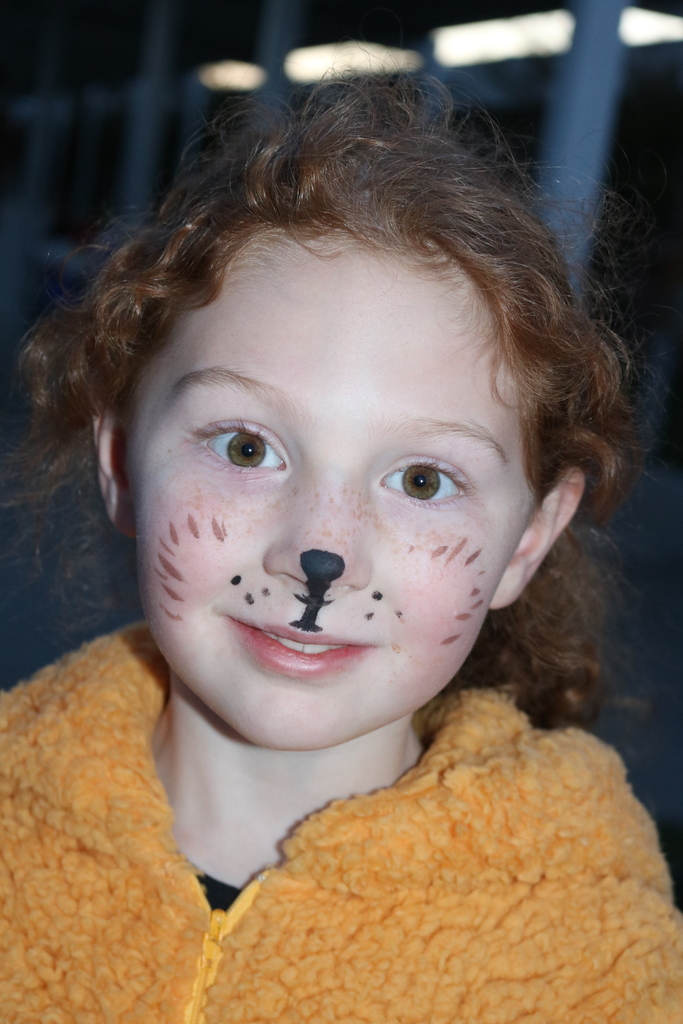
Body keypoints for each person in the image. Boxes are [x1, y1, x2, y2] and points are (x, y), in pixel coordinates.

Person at [1, 77, 681, 1023]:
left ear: (528, 538)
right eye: (246, 448)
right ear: (120, 462)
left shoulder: (591, 952)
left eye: (420, 481)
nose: (321, 550)